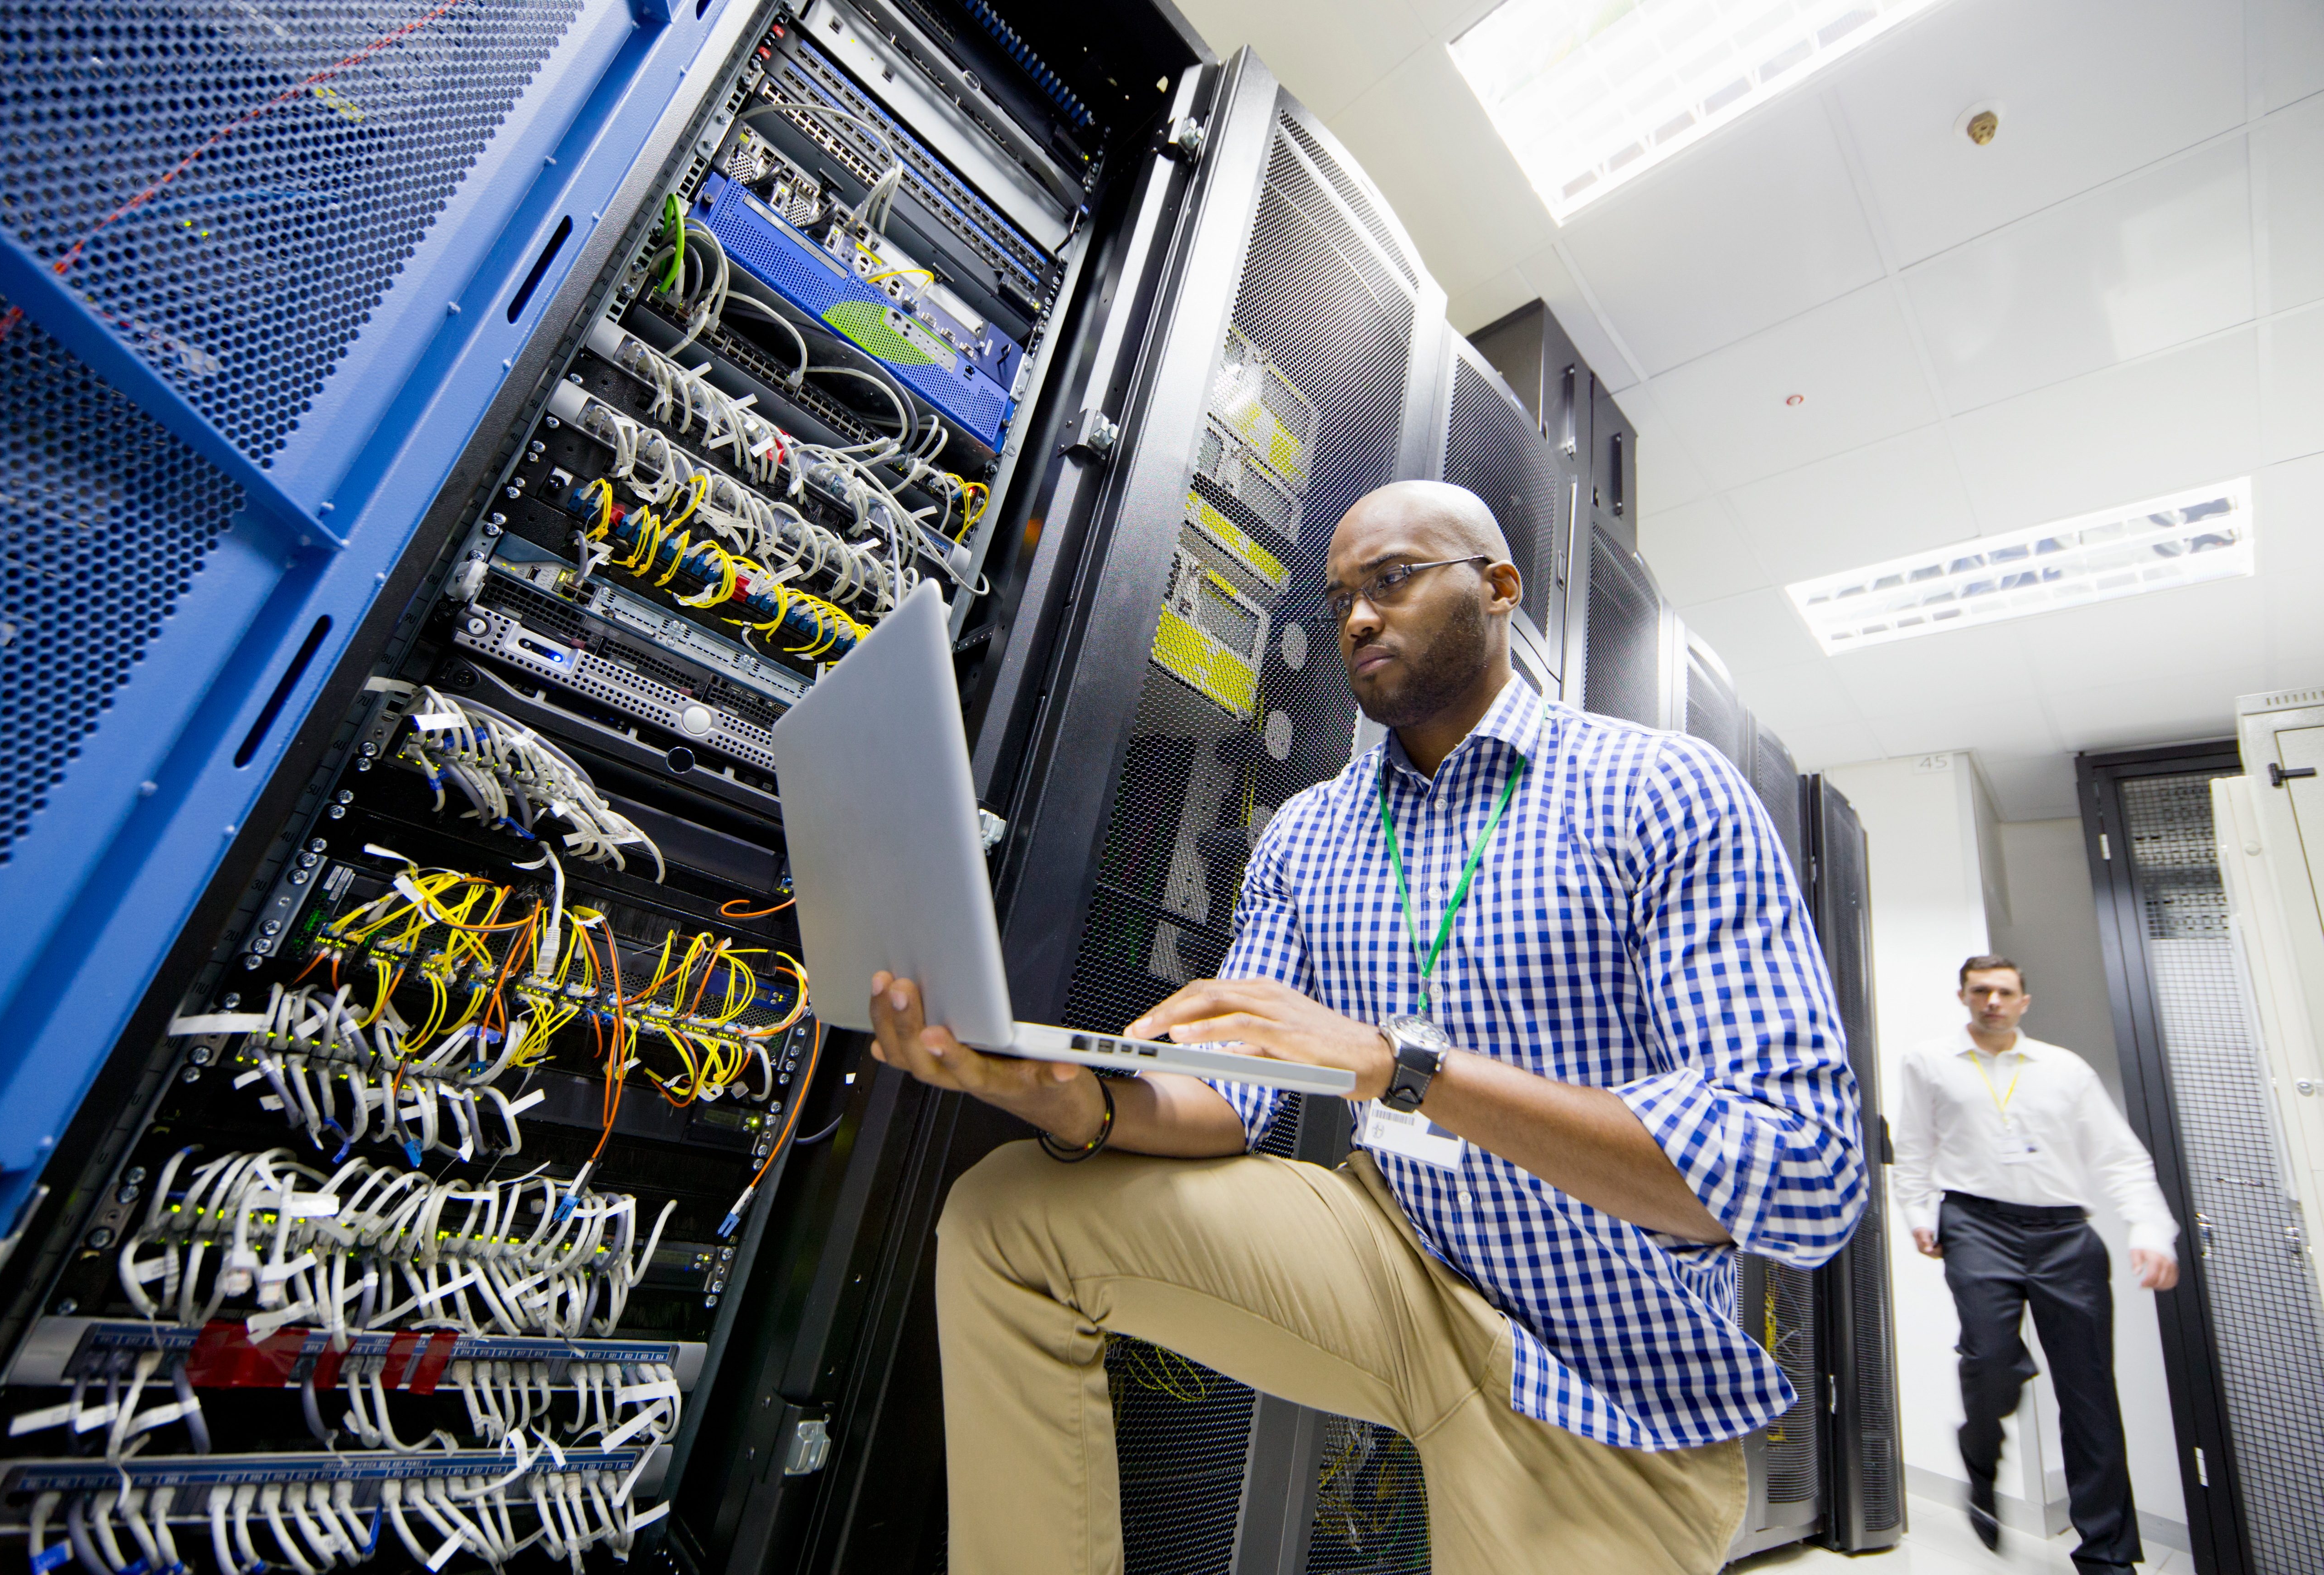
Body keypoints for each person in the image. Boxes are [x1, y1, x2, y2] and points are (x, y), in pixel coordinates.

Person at [868, 479, 1866, 1574]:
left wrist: (1404, 1069)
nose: (1354, 618)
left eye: (1390, 580)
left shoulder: (1657, 791)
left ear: (1497, 588)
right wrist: (1083, 1103)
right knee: (1009, 1215)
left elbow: (1803, 1172)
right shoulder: (1310, 834)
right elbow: (1232, 1098)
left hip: (1607, 1381)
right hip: (1395, 1262)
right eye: (1342, 593)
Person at [1895, 956, 2180, 1572]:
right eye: (1981, 992)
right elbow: (1914, 1146)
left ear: (2024, 1000)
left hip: (2064, 1235)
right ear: (1964, 997)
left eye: (2004, 991)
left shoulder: (2065, 1070)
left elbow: (2120, 1159)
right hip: (1975, 1226)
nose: (1993, 1001)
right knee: (1990, 1360)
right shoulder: (1929, 1062)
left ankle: (2107, 1555)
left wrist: (2152, 1230)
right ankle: (1982, 1455)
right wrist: (1918, 1214)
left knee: (2090, 1398)